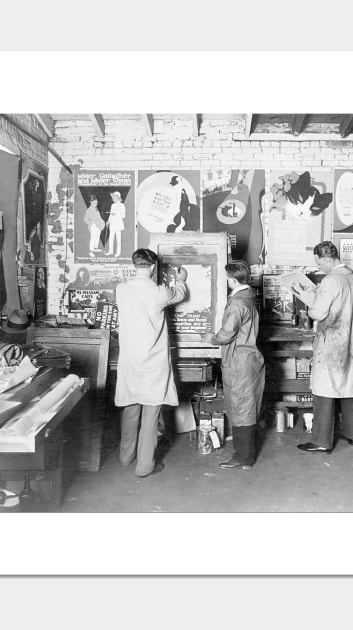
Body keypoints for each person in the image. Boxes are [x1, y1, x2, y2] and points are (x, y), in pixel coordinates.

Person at [114, 248, 188, 477]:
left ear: (134, 265)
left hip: (130, 360)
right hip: (152, 362)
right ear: (153, 267)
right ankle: (145, 466)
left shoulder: (122, 289)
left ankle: (126, 456)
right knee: (151, 413)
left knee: (130, 407)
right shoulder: (159, 292)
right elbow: (179, 294)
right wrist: (182, 280)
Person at [292, 241, 353, 452]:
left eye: (319, 262)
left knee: (324, 388)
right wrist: (309, 294)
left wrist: (305, 297)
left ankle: (320, 441)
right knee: (348, 385)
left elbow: (318, 313)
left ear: (326, 259)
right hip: (352, 340)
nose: (319, 267)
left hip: (333, 340)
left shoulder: (331, 279)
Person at [202, 260, 265, 470]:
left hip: (239, 361)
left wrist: (211, 338)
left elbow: (227, 333)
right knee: (244, 406)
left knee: (241, 408)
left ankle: (244, 457)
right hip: (247, 358)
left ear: (232, 280)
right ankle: (244, 454)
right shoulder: (248, 296)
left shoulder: (238, 302)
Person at [106, 191, 125, 257]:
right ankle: (110, 251)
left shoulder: (122, 205)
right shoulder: (112, 205)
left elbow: (123, 215)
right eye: (112, 197)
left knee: (118, 239)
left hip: (118, 224)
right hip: (112, 223)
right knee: (111, 238)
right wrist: (108, 221)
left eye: (114, 197)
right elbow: (111, 214)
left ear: (117, 197)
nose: (112, 198)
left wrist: (116, 214)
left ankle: (118, 252)